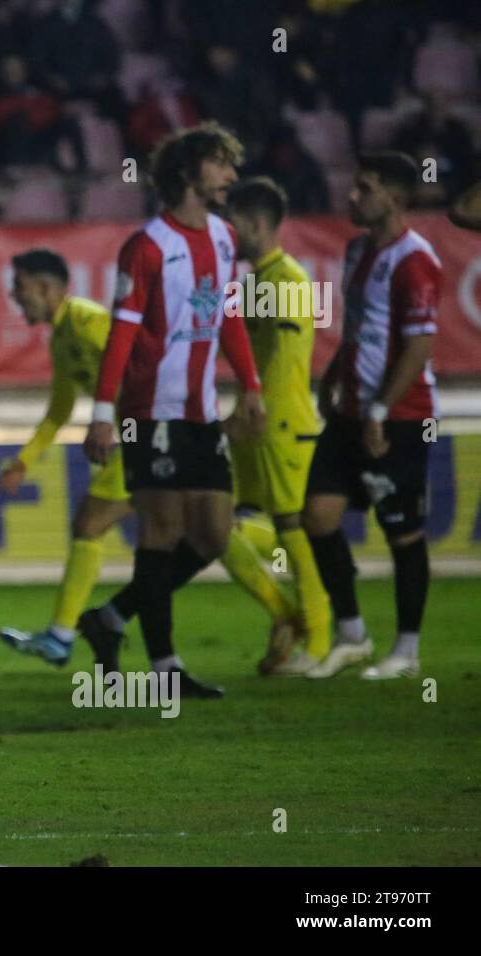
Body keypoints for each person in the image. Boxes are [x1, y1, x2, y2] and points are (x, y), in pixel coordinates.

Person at [82, 122, 265, 699]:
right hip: (150, 411)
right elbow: (121, 333)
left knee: (212, 536)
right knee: (161, 531)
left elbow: (227, 315)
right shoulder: (147, 245)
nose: (231, 176)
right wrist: (102, 413)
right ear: (188, 173)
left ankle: (110, 618)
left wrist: (251, 386)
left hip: (201, 412)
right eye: (220, 164)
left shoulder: (224, 237)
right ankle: (165, 669)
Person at [302, 152, 442, 680]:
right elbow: (359, 329)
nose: (352, 196)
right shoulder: (357, 249)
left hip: (400, 416)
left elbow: (418, 346)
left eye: (364, 188)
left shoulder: (416, 260)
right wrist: (335, 379)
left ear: (395, 196)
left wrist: (381, 410)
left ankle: (407, 651)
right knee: (317, 515)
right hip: (351, 412)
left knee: (402, 532)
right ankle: (353, 634)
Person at [0, 249, 130, 666]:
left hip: (146, 434)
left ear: (46, 288)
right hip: (136, 437)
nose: (16, 298)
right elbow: (59, 410)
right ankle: (294, 614)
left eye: (20, 289)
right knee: (210, 535)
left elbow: (135, 364)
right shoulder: (62, 336)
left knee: (89, 524)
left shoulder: (89, 322)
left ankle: (61, 635)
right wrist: (24, 460)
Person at [219, 177, 331, 675]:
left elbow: (284, 359)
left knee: (292, 527)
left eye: (235, 222)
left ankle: (320, 639)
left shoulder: (285, 279)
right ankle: (289, 618)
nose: (228, 231)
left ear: (257, 224)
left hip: (279, 421)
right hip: (258, 420)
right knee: (222, 528)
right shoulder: (254, 283)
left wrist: (257, 404)